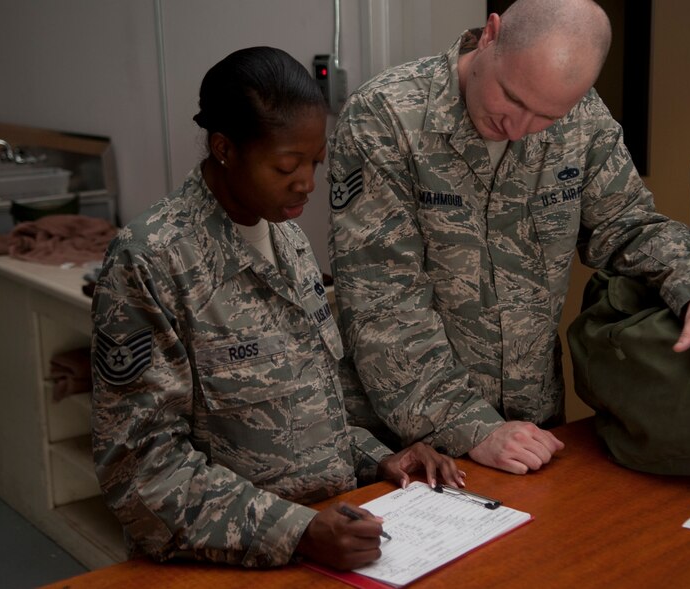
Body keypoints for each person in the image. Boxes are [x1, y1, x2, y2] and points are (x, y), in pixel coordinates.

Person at [327, 0, 690, 475]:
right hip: (409, 442)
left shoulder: (584, 118)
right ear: (491, 35)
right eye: (511, 98)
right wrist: (471, 427)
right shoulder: (384, 116)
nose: (517, 129)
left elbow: (626, 224)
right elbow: (383, 302)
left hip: (530, 427)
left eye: (546, 116)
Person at [90, 46, 463, 571]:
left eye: (315, 162)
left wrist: (380, 455)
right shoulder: (152, 259)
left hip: (331, 542)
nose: (308, 183)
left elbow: (307, 410)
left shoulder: (287, 239)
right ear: (224, 149)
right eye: (286, 166)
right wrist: (299, 532)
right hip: (225, 561)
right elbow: (142, 475)